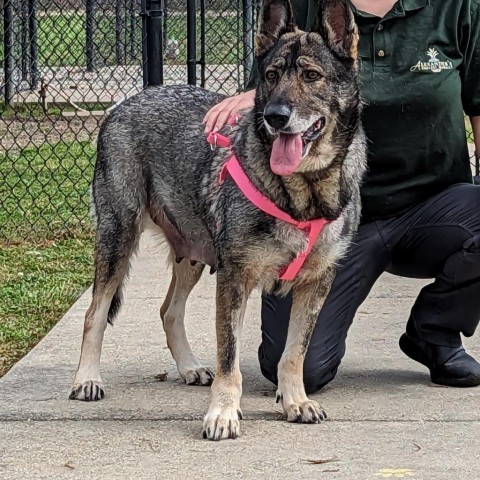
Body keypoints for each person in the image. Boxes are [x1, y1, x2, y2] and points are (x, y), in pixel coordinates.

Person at [203, 0, 480, 392]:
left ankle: (435, 332)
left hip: (432, 211)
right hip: (330, 225)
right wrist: (253, 95)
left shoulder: (458, 7)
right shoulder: (306, 5)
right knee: (304, 372)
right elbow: (272, 88)